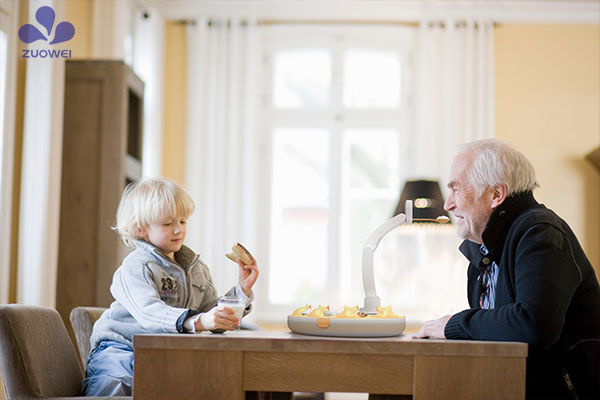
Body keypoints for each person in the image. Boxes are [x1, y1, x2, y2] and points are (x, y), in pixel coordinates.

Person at [414, 139, 600, 399]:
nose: (448, 204)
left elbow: (533, 324)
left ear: (496, 195)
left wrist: (451, 325)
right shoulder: (484, 249)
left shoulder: (541, 233)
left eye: (456, 190)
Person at [83, 177, 259, 396]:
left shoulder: (197, 268)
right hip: (122, 347)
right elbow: (150, 312)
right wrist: (198, 320)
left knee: (222, 379)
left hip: (167, 351)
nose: (178, 230)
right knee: (115, 385)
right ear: (141, 229)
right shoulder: (135, 267)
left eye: (183, 221)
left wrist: (242, 291)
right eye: (168, 224)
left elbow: (213, 314)